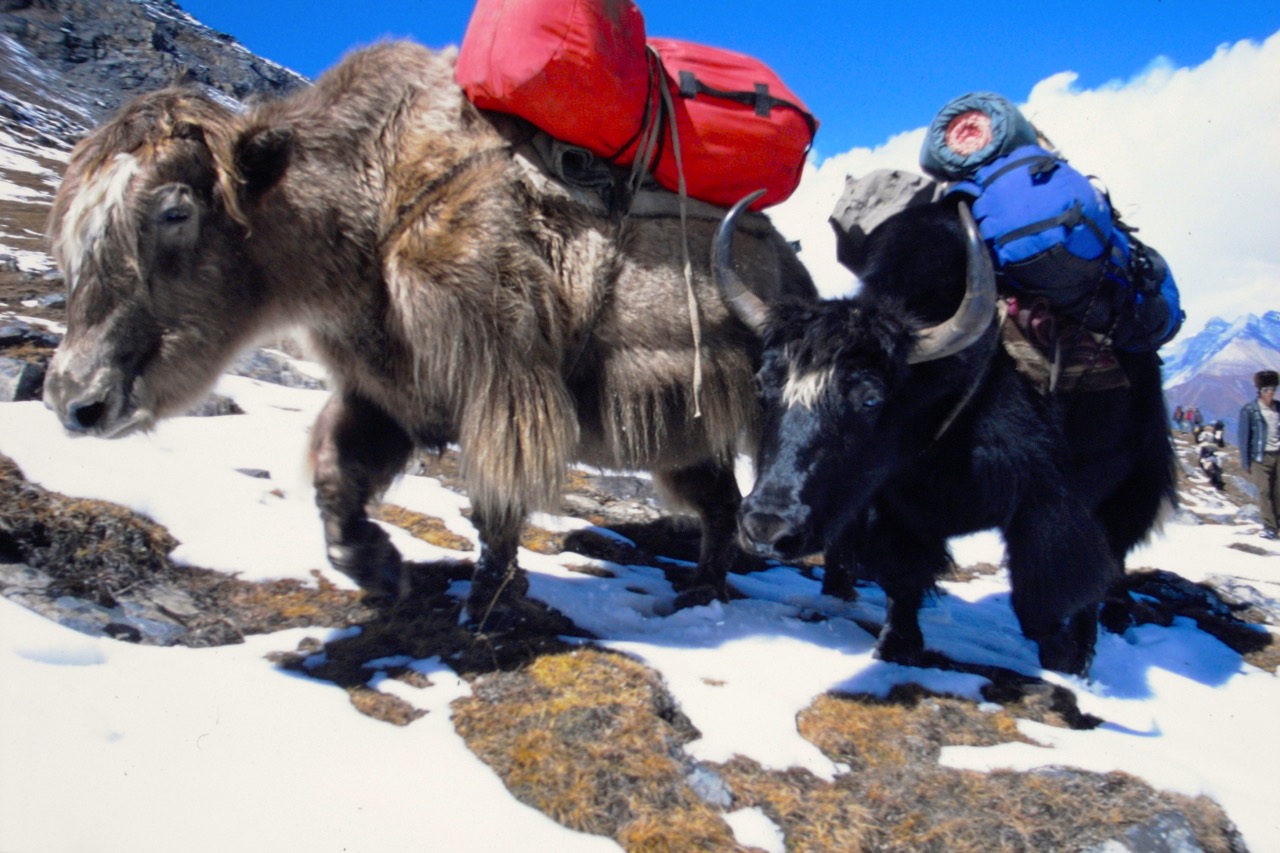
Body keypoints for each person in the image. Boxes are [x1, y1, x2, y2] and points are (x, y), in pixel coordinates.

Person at [1238, 370, 1280, 539]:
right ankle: (1270, 527)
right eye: (1266, 389)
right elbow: (1244, 437)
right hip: (1259, 457)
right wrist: (1246, 462)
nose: (1270, 392)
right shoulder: (1250, 410)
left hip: (1278, 454)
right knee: (1264, 491)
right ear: (1260, 391)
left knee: (1278, 492)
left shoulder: (1279, 408)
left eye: (1272, 389)